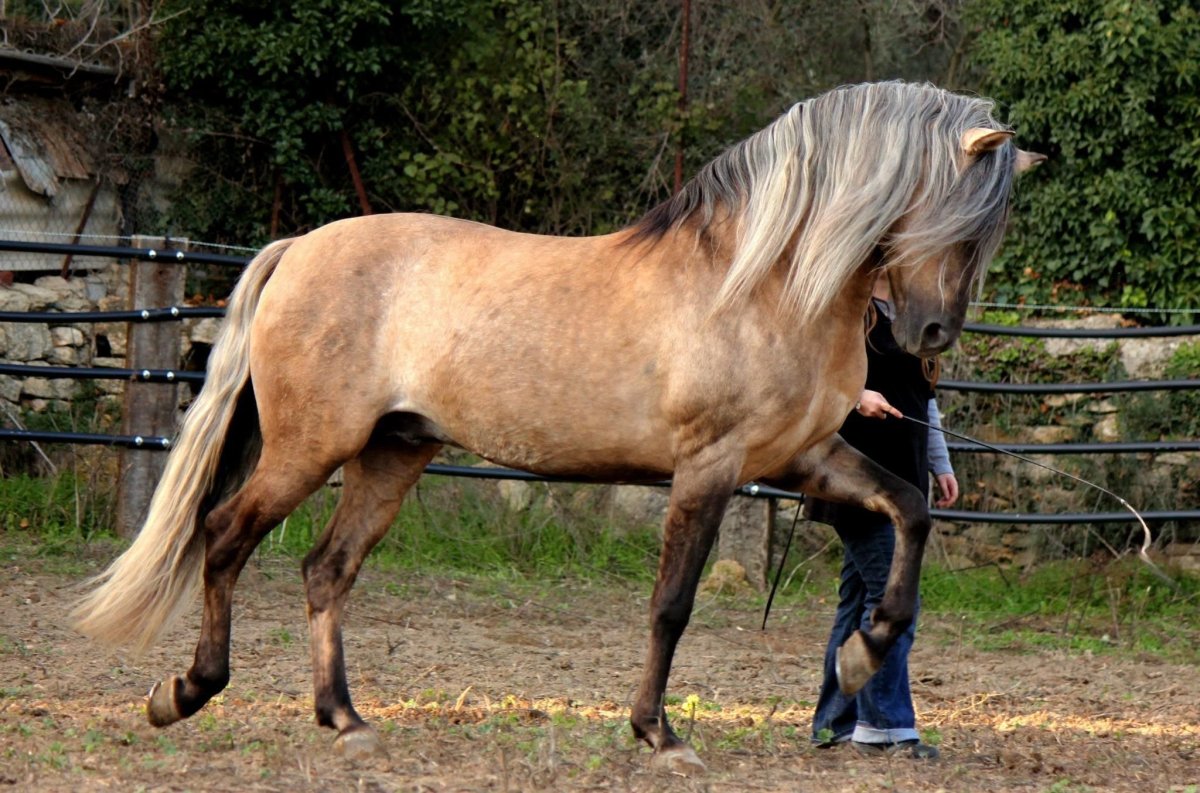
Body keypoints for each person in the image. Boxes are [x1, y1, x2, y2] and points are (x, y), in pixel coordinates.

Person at [808, 274, 959, 760]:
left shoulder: (915, 317)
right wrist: (857, 395)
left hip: (906, 480)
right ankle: (886, 728)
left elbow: (925, 402)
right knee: (891, 600)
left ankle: (834, 723)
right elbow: (811, 373)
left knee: (856, 605)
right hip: (855, 479)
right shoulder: (846, 306)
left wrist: (941, 464)